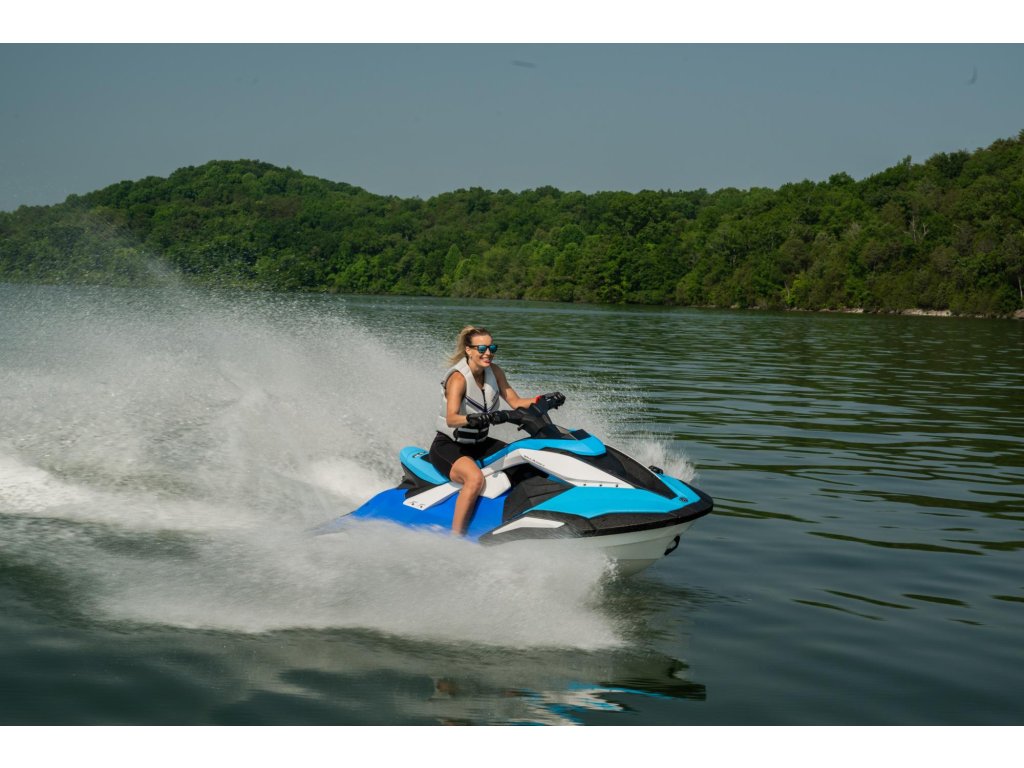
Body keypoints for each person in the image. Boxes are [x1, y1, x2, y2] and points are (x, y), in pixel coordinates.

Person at [428, 325, 541, 536]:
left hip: (480, 444)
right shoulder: (458, 378)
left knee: (524, 460)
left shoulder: (495, 372)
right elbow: (452, 418)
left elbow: (515, 401)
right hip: (450, 446)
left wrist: (542, 399)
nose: (488, 353)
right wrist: (474, 418)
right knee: (475, 479)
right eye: (482, 348)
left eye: (491, 348)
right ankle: (456, 537)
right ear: (468, 350)